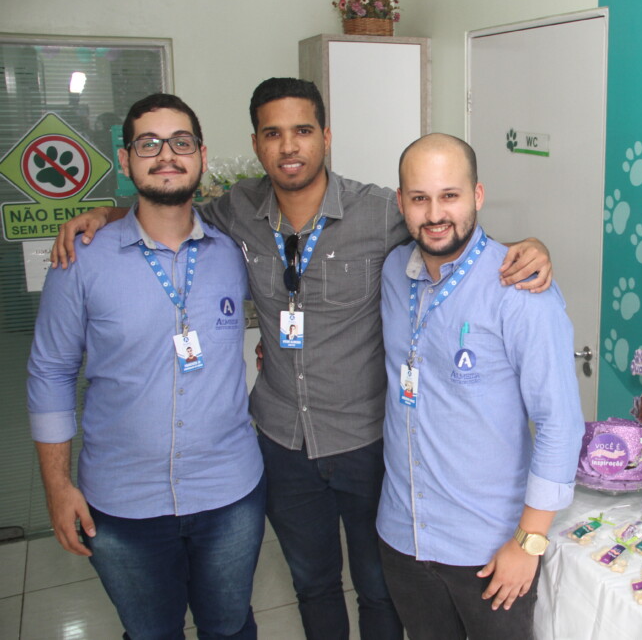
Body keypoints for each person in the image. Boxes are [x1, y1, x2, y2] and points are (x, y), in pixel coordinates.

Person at [50, 78, 552, 640]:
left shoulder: (378, 211)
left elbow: (448, 230)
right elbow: (167, 208)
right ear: (256, 144)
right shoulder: (234, 212)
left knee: (379, 590)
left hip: (366, 440)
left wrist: (529, 248)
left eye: (303, 131)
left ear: (326, 137)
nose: (289, 146)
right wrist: (106, 214)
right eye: (273, 134)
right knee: (313, 585)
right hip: (282, 442)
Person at [28, 93, 265, 639]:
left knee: (230, 627)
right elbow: (50, 373)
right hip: (122, 504)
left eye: (181, 142)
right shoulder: (81, 259)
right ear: (125, 159)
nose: (166, 155)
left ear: (201, 156)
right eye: (148, 144)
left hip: (229, 493)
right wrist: (57, 486)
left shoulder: (234, 253)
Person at [377, 133, 584, 640]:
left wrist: (529, 542)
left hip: (491, 551)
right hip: (403, 535)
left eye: (449, 195)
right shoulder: (393, 272)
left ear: (477, 195)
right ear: (400, 201)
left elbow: (560, 423)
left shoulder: (521, 290)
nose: (435, 214)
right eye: (420, 198)